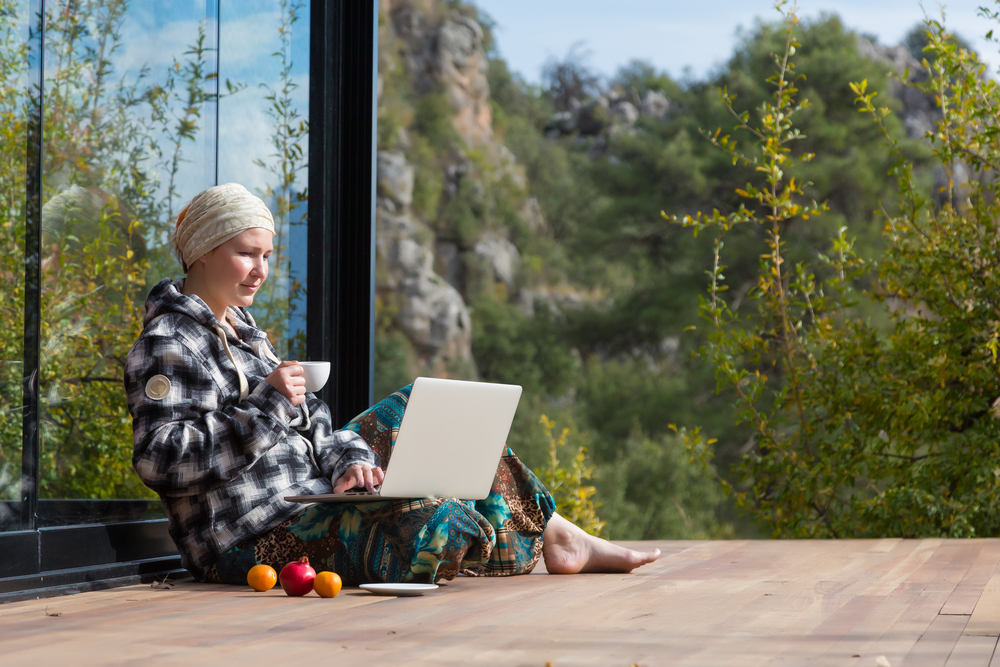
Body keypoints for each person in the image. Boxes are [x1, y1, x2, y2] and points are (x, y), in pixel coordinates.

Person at [124, 183, 659, 586]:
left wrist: (347, 463)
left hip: (307, 503)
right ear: (201, 252)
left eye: (267, 256)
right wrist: (266, 406)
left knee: (422, 411)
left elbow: (322, 429)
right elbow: (159, 460)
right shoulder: (170, 342)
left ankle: (557, 533)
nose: (260, 270)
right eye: (246, 253)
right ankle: (518, 539)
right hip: (248, 538)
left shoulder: (246, 335)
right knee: (438, 520)